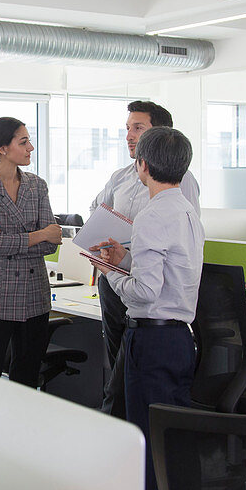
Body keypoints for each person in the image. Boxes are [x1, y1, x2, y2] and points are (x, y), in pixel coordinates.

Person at [93, 126, 204, 490]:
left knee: (147, 443)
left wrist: (108, 271)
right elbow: (170, 272)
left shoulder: (151, 214)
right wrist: (125, 257)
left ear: (141, 165)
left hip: (152, 342)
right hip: (179, 340)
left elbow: (144, 293)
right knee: (169, 442)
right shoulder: (186, 209)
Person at [90, 100, 200, 419]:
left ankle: (132, 463)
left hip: (150, 317)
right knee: (127, 389)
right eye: (127, 129)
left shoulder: (161, 208)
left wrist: (110, 269)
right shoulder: (175, 204)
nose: (129, 136)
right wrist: (122, 260)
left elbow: (149, 288)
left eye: (138, 128)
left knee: (140, 408)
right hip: (158, 314)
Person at [0, 117, 61, 387]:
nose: (31, 147)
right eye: (24, 141)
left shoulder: (37, 185)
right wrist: (39, 234)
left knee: (27, 379)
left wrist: (8, 236)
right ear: (3, 148)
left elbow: (53, 243)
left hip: (35, 296)